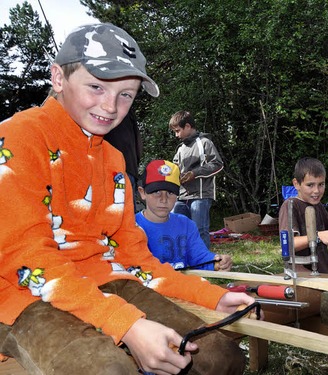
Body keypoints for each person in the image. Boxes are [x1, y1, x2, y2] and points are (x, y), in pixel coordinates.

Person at [0, 23, 254, 375]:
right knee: (108, 370)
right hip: (21, 294)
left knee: (218, 357)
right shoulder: (18, 136)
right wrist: (126, 324)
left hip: (105, 278)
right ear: (58, 78)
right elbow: (24, 258)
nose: (110, 106)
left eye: (126, 94)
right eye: (96, 86)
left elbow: (135, 257)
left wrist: (212, 296)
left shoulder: (113, 160)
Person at [136, 159, 233, 271]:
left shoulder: (186, 224)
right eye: (157, 192)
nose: (163, 199)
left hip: (180, 285)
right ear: (142, 192)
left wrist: (216, 262)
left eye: (170, 192)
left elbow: (199, 257)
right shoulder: (131, 226)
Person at [170, 110, 224, 246]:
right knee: (179, 230)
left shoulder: (205, 142)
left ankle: (203, 263)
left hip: (200, 195)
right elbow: (175, 169)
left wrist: (194, 173)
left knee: (199, 230)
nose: (176, 135)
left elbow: (217, 165)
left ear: (188, 126)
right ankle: (183, 260)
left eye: (178, 131)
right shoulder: (180, 148)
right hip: (181, 197)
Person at [104, 107, 143, 210]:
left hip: (111, 169)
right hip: (129, 167)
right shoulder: (127, 109)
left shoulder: (104, 107)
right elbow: (138, 143)